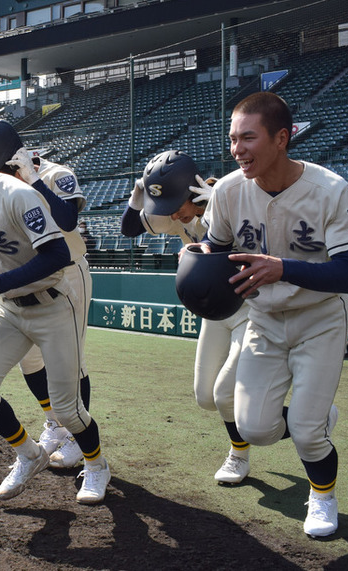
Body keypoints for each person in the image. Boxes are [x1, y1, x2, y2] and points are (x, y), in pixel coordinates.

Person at [198, 91, 348, 538]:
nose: (237, 150)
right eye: (233, 140)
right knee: (256, 428)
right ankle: (314, 418)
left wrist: (283, 269)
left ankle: (323, 496)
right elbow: (216, 246)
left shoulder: (330, 190)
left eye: (248, 138)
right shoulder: (229, 191)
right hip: (265, 321)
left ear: (282, 138)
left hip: (320, 319)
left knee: (308, 434)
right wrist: (199, 256)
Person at [0, 116, 110, 504]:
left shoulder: (19, 193)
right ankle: (29, 454)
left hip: (52, 303)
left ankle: (96, 466)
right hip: (8, 306)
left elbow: (59, 253)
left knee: (69, 409)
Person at [122, 150, 254, 485]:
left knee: (225, 394)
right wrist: (140, 196)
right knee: (205, 397)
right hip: (215, 313)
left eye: (175, 206)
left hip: (250, 310)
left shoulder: (231, 198)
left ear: (192, 194)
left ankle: (239, 455)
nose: (171, 216)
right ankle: (304, 420)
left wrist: (219, 206)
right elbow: (128, 229)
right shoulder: (175, 211)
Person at [0, 119, 93, 470]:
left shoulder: (55, 173)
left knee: (70, 361)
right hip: (28, 277)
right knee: (29, 360)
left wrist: (32, 179)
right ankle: (55, 423)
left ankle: (79, 437)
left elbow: (67, 221)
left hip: (70, 272)